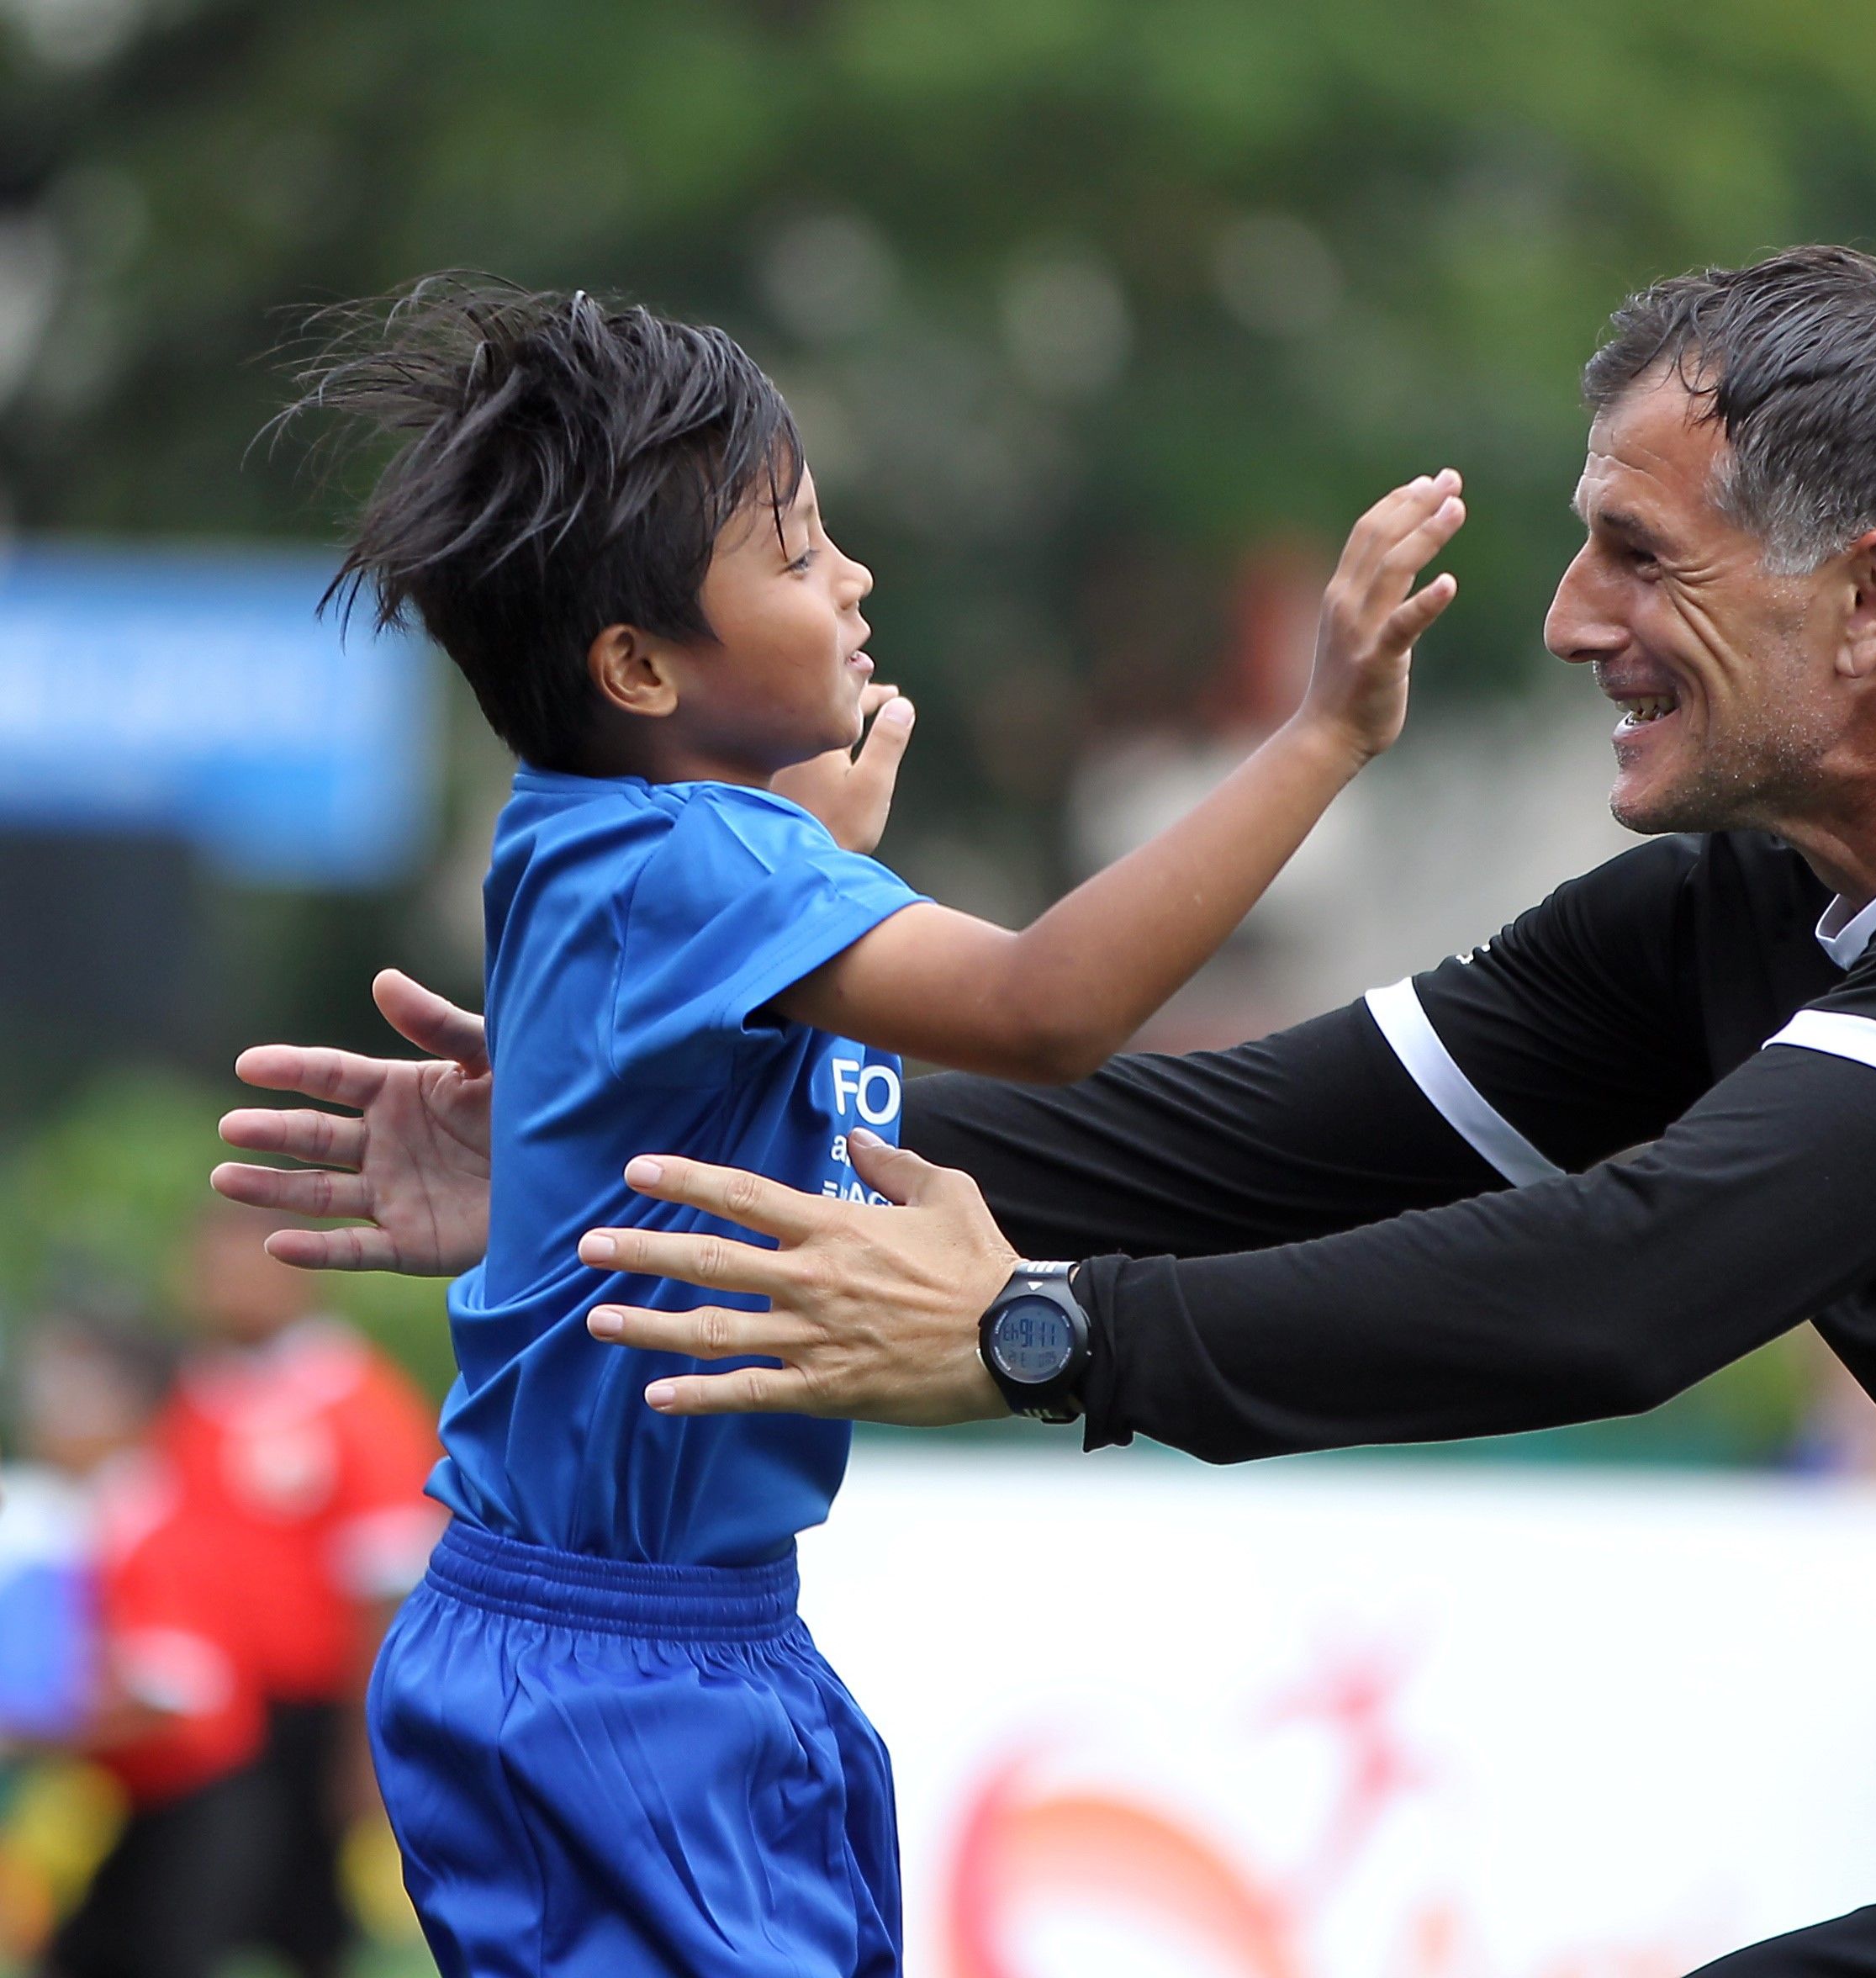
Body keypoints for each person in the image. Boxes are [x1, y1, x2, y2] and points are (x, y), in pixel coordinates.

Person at [221, 248, 1876, 1975]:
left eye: (1634, 553)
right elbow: (1222, 1138)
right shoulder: (1719, 920)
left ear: (1864, 599)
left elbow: (1650, 1277)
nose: (1567, 618)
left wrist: (1046, 1344)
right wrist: (627, 1135)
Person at [246, 277, 1464, 1975]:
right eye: (800, 555)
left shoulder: (609, 833)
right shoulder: (704, 868)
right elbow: (1049, 1007)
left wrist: (795, 836)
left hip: (672, 1640)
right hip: (617, 1672)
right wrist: (1322, 732)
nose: (854, 581)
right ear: (641, 665)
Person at [161, 1200, 443, 1978]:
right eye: (208, 1260)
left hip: (310, 1719)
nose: (223, 1281)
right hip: (208, 1726)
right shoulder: (193, 1397)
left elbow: (389, 1583)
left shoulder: (355, 1400)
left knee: (307, 1926)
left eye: (246, 1259)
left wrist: (367, 1745)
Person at [12, 1314, 280, 1978]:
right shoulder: (75, 1517)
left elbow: (176, 1699)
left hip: (195, 1804)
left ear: (134, 1409)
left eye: (74, 1390)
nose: (48, 1409)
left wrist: (30, 1730)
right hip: (122, 1800)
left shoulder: (156, 1527)